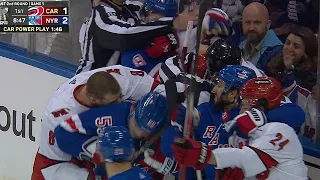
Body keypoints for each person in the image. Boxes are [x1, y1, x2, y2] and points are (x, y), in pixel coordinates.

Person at [31, 65, 159, 180]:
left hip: (82, 150)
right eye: (113, 102)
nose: (119, 104)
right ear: (93, 100)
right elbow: (65, 141)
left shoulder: (116, 77)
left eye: (121, 96)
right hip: (56, 164)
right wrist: (100, 155)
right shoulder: (61, 113)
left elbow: (158, 89)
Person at [160, 65, 257, 179]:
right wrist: (177, 126)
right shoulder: (205, 110)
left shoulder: (248, 126)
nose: (213, 89)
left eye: (220, 85)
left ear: (233, 94)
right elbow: (171, 150)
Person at [53, 91, 169, 179]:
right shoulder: (111, 116)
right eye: (137, 123)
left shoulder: (161, 140)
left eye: (145, 131)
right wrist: (99, 151)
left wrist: (167, 166)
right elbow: (62, 132)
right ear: (133, 108)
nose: (138, 133)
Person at [171, 108, 308, 180]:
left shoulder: (281, 131)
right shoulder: (236, 141)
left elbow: (247, 158)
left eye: (248, 102)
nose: (242, 107)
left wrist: (204, 155)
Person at [76, 0, 199, 74]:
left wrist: (190, 16)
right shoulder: (99, 15)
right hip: (87, 84)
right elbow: (124, 37)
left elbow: (157, 14)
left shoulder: (132, 8)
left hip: (116, 89)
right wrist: (173, 23)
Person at [239, 2, 283, 71]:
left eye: (257, 23)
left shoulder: (278, 53)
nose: (251, 28)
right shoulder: (239, 47)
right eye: (247, 22)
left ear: (268, 25)